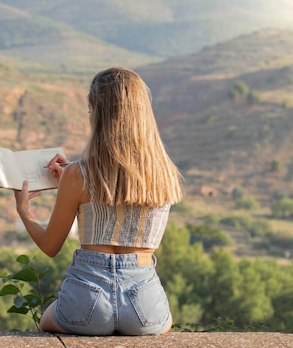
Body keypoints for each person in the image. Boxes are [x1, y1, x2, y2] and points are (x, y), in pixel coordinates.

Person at [13, 67, 183, 336]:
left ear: (98, 114)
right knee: (164, 320)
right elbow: (121, 187)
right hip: (143, 300)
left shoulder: (77, 175)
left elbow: (50, 246)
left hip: (87, 298)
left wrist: (24, 210)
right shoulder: (164, 174)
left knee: (48, 317)